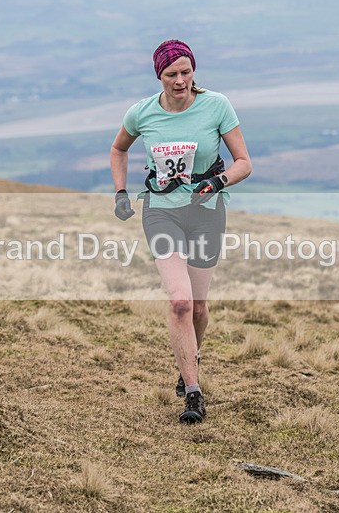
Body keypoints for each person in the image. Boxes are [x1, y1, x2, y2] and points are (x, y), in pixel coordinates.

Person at [109, 39, 252, 424]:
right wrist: (121, 192)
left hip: (206, 212)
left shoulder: (217, 105)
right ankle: (193, 393)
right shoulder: (141, 113)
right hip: (161, 213)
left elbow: (244, 163)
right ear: (159, 75)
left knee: (200, 308)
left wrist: (218, 182)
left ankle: (188, 358)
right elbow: (118, 150)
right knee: (180, 302)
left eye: (186, 72)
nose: (180, 80)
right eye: (171, 74)